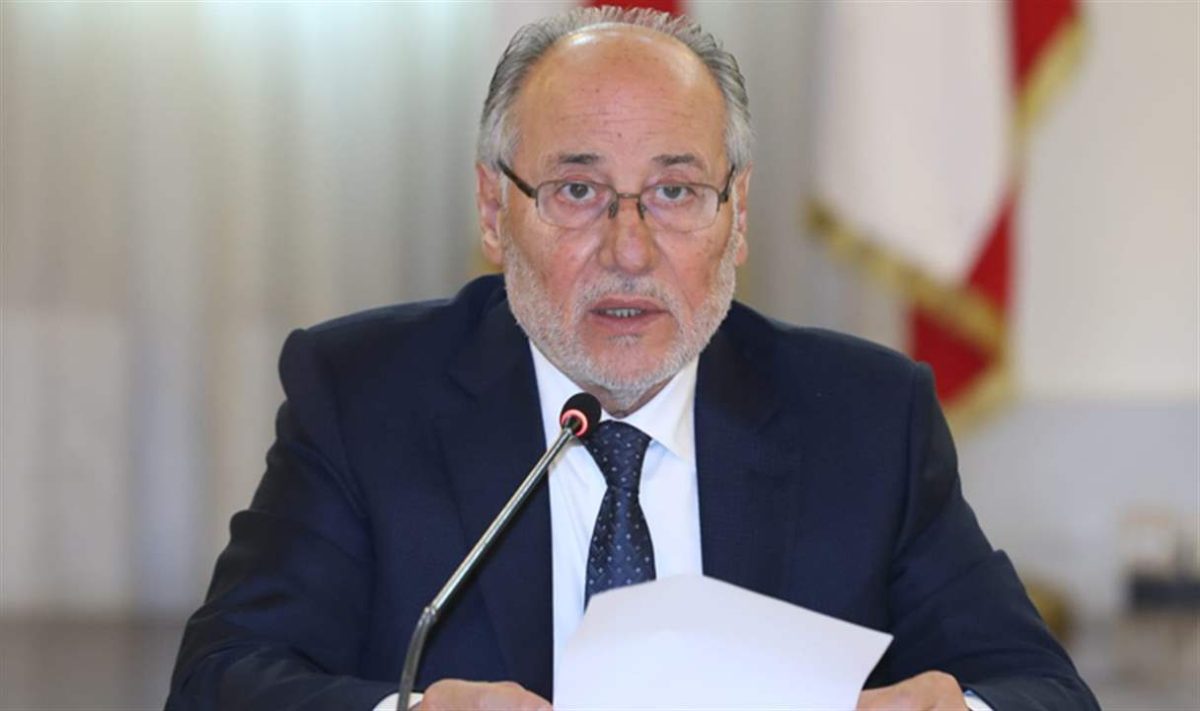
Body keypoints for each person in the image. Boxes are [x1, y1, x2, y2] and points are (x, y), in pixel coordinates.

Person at [167, 8, 1098, 711]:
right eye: (578, 189)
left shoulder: (866, 417)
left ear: (737, 216)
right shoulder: (362, 395)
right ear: (494, 211)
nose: (629, 248)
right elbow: (219, 680)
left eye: (675, 192)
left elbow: (1042, 688)